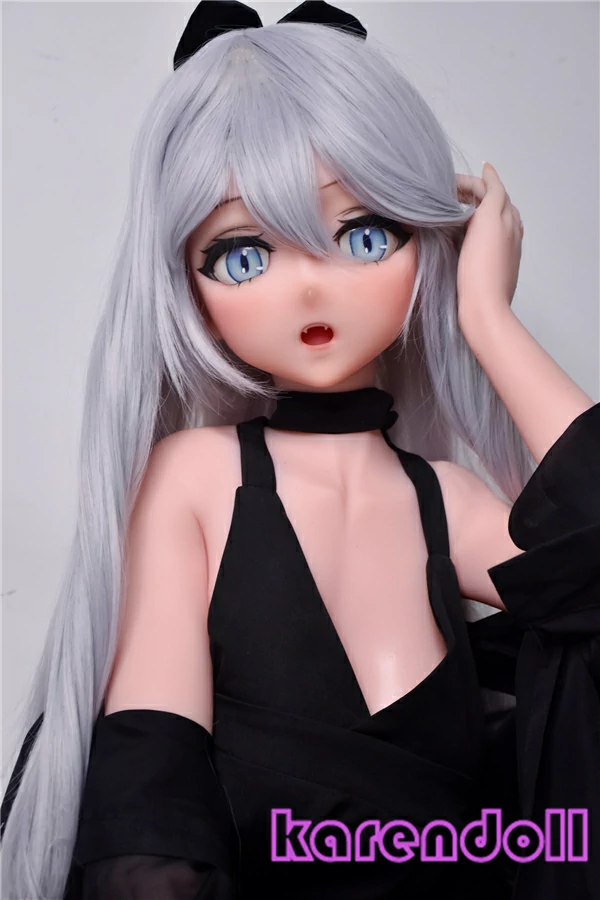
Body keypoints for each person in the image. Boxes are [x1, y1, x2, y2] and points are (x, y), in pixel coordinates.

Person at [2, 3, 599, 898]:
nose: (312, 288)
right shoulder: (195, 479)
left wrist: (487, 318)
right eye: (243, 254)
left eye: (366, 235)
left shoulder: (448, 502)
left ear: (428, 246)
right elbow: (153, 786)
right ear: (185, 288)